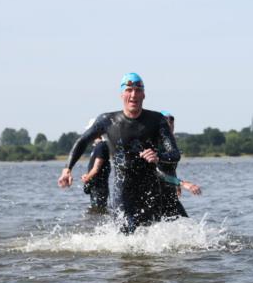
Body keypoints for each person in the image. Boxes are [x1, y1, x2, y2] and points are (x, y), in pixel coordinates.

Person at [58, 73, 180, 233]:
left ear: (144, 94)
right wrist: (67, 169)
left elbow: (175, 154)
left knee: (151, 239)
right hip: (123, 189)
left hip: (150, 189)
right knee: (126, 234)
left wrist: (158, 156)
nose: (133, 95)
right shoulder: (107, 120)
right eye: (129, 90)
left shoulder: (157, 120)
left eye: (138, 90)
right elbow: (82, 142)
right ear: (122, 94)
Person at [155, 111, 201, 219]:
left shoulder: (171, 145)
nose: (170, 125)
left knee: (187, 226)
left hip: (170, 193)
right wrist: (181, 183)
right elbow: (156, 171)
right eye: (166, 123)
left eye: (171, 122)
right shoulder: (155, 144)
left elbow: (170, 166)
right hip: (156, 194)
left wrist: (176, 184)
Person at [81, 134, 110, 211]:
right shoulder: (98, 146)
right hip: (96, 185)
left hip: (99, 187)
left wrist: (87, 178)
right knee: (96, 210)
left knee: (98, 210)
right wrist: (87, 175)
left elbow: (96, 168)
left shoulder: (101, 146)